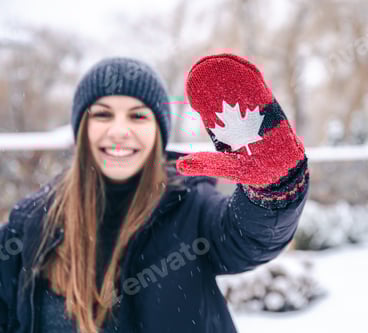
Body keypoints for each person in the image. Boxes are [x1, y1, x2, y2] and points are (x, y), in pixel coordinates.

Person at [0, 53, 309, 333]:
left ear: (159, 131)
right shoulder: (30, 221)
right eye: (103, 115)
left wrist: (273, 192)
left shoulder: (192, 207)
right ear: (82, 128)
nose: (120, 131)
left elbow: (251, 238)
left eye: (138, 116)